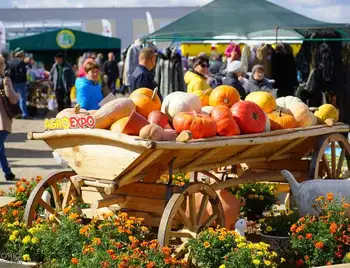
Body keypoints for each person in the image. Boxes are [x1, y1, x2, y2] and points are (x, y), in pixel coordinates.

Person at [0, 55, 19, 180]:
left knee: (0, 146)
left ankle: (7, 172)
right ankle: (7, 172)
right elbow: (12, 98)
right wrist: (17, 96)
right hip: (1, 120)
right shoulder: (5, 80)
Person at [7, 48, 30, 119]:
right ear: (21, 55)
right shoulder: (21, 62)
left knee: (14, 98)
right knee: (22, 98)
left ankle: (16, 113)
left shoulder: (10, 62)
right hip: (21, 83)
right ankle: (24, 114)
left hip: (12, 82)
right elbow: (23, 72)